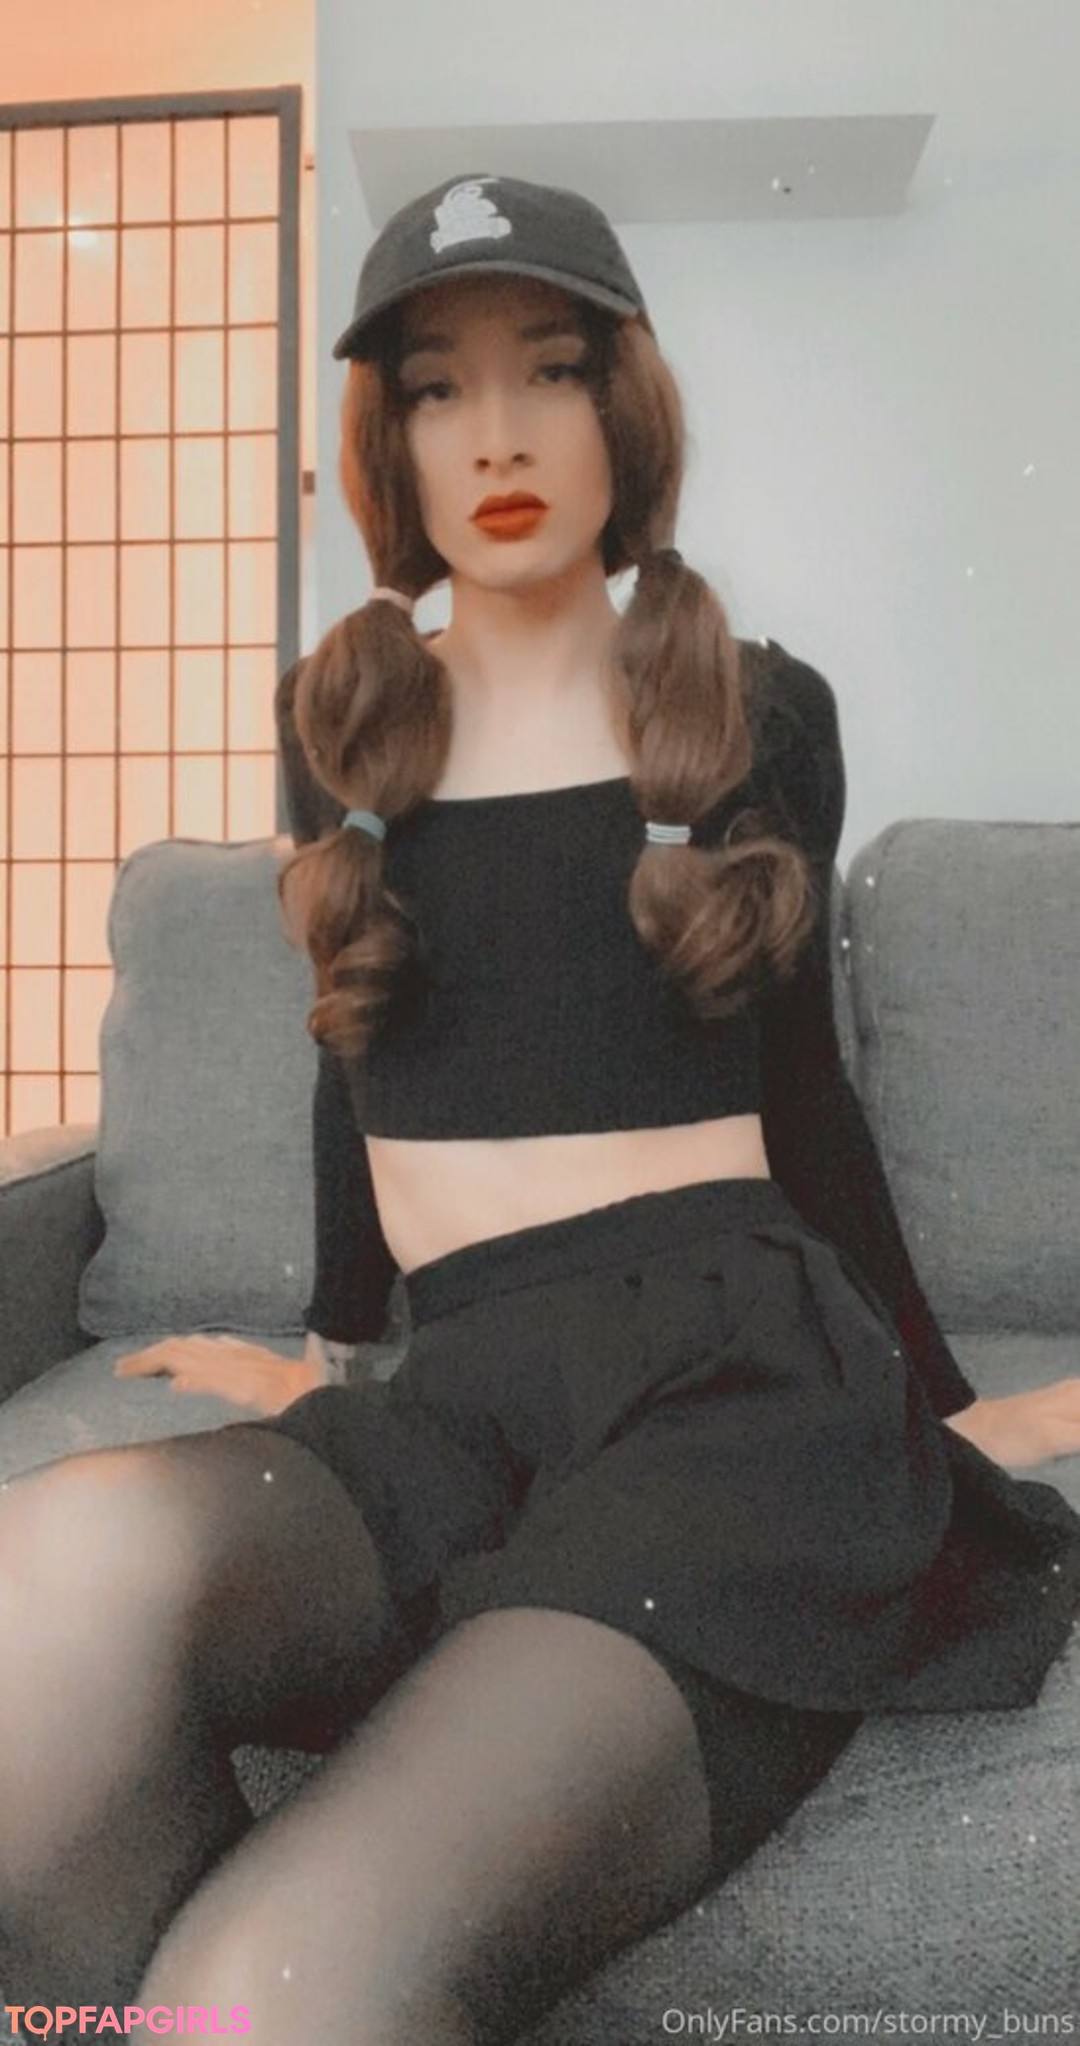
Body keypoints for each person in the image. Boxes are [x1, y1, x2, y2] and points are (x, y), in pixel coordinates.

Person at [2, 170, 1079, 2046]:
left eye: (550, 370)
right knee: (49, 1583)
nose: (495, 432)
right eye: (437, 387)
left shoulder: (754, 710)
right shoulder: (344, 726)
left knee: (267, 1991)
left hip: (737, 1389)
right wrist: (331, 1348)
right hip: (468, 1392)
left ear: (621, 408)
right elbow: (354, 1060)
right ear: (391, 443)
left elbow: (806, 1094)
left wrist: (949, 1400)